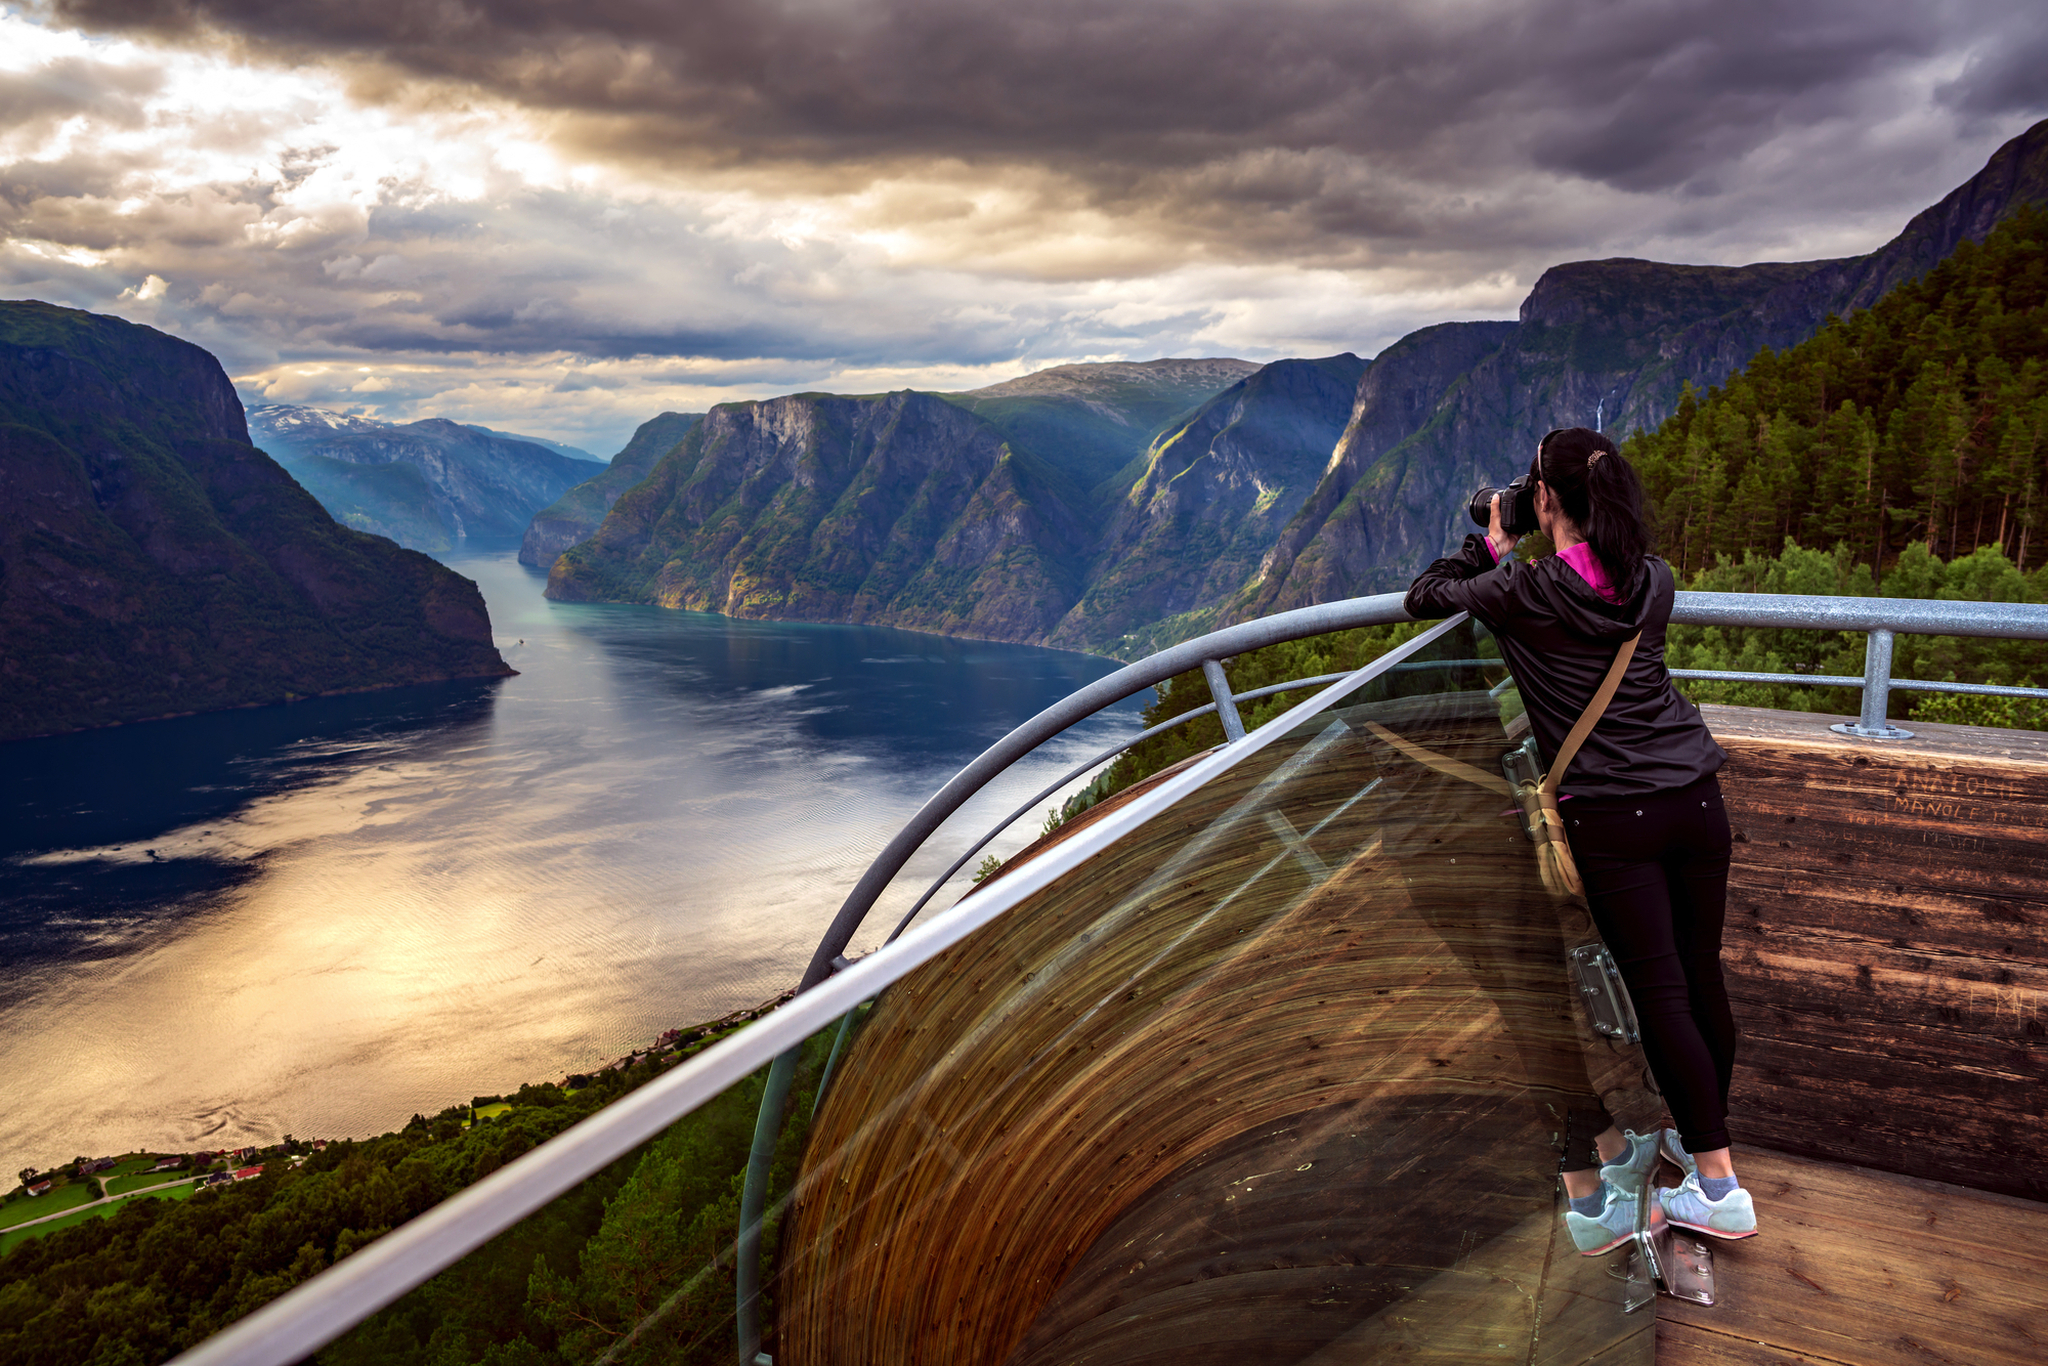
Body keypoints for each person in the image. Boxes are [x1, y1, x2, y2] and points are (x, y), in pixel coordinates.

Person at [1403, 426, 1756, 1253]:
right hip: (1697, 799)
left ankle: (1720, 1186)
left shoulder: (1522, 590)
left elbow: (1427, 595)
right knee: (1701, 980)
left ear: (1548, 500)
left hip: (1615, 816)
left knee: (1659, 995)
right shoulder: (1654, 580)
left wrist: (1488, 542)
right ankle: (1700, 1143)